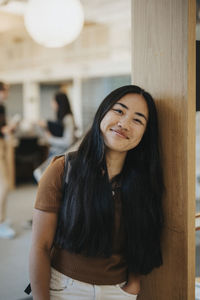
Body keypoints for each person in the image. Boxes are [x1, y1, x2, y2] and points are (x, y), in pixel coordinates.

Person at [29, 85, 164, 299]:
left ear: (145, 133)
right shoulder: (62, 169)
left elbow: (144, 238)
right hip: (64, 288)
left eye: (138, 120)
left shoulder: (144, 181)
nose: (124, 123)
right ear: (103, 112)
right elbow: (40, 247)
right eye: (119, 111)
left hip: (118, 291)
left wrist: (134, 285)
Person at [38, 92, 76, 157]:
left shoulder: (68, 119)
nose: (51, 104)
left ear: (59, 103)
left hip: (60, 154)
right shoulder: (61, 118)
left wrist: (50, 138)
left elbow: (68, 142)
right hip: (55, 152)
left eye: (53, 101)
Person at [0, 82, 15, 238]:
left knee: (3, 185)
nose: (7, 93)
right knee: (4, 185)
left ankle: (1, 219)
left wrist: (9, 128)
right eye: (6, 90)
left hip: (3, 145)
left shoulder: (2, 107)